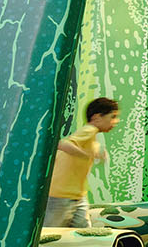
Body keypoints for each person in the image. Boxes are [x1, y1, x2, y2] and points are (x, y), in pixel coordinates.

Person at [44, 97, 118, 228]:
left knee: (83, 232)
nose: (115, 121)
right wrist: (86, 154)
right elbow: (62, 145)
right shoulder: (88, 130)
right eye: (112, 117)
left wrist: (97, 153)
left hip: (77, 196)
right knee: (51, 234)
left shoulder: (92, 136)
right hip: (61, 196)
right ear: (97, 117)